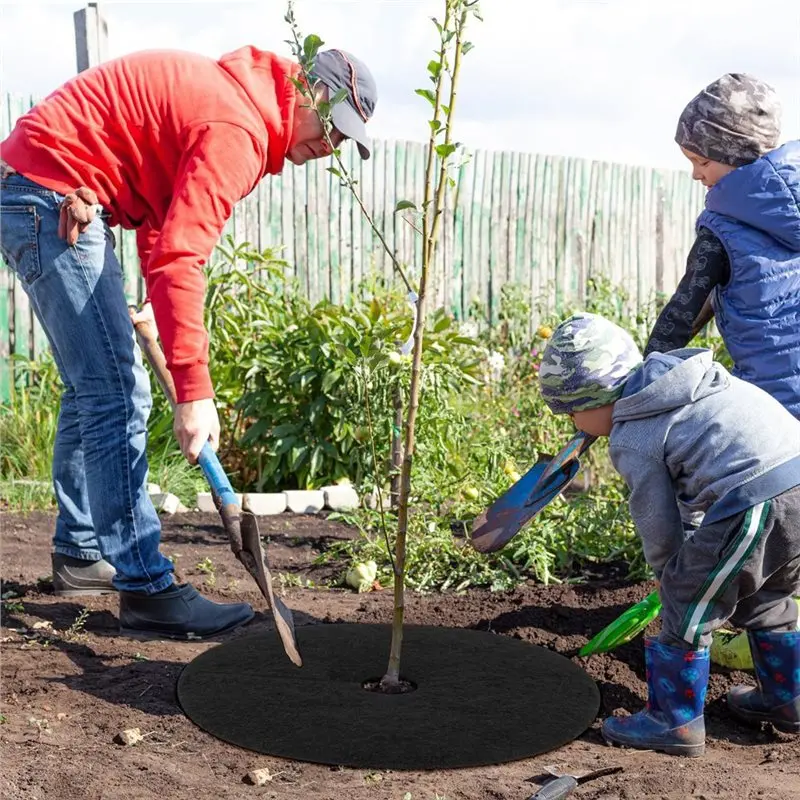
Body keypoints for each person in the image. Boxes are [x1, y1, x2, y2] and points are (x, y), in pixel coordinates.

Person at [0, 45, 377, 640]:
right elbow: (184, 253)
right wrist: (195, 393)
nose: (329, 148)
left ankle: (79, 553)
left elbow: (160, 219)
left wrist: (154, 296)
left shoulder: (237, 103)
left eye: (344, 141)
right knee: (115, 394)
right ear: (311, 92)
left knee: (95, 387)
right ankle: (147, 590)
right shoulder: (239, 127)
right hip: (54, 195)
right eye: (333, 128)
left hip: (46, 187)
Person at [539, 312, 800, 757]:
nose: (573, 426)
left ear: (594, 399)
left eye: (571, 414)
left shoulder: (633, 435)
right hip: (792, 482)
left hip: (759, 500)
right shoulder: (683, 383)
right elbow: (697, 494)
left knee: (687, 594)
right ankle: (787, 700)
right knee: (765, 593)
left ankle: (673, 722)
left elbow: (657, 523)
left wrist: (671, 574)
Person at [645, 73, 800, 418]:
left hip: (773, 411)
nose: (696, 175)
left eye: (702, 162)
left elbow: (682, 313)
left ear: (736, 155)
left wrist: (642, 378)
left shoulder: (722, 230)